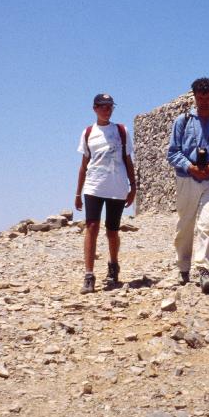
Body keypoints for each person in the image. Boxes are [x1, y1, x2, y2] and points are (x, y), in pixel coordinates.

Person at [167, 77, 209, 293]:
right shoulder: (182, 121)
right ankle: (183, 267)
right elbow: (173, 152)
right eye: (200, 97)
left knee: (207, 224)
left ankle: (204, 270)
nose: (204, 101)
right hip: (187, 179)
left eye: (208, 97)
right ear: (194, 97)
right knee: (185, 225)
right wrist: (189, 166)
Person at [74, 93, 136, 294]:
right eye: (102, 106)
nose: (106, 110)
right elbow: (84, 165)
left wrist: (133, 186)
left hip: (117, 187)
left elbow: (128, 160)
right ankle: (89, 275)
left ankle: (113, 265)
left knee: (112, 231)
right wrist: (77, 193)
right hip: (94, 186)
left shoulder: (121, 131)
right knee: (91, 227)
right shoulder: (88, 133)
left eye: (110, 106)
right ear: (95, 108)